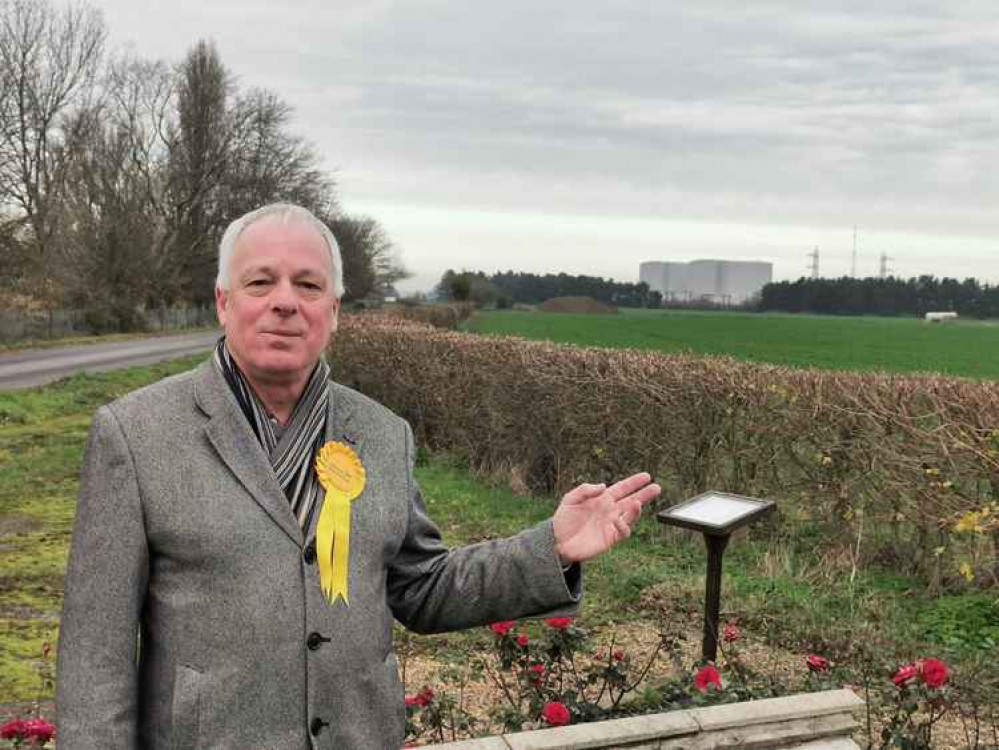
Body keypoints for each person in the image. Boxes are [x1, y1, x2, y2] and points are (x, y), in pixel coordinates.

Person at [56, 203, 661, 750]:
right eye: (260, 282)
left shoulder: (381, 433)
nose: (285, 301)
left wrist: (548, 547)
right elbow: (94, 654)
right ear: (224, 301)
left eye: (308, 285)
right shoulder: (136, 435)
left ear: (335, 311)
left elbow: (421, 587)